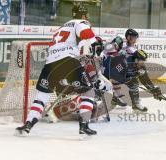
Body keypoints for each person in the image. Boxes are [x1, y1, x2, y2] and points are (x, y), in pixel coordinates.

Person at [15, 3, 109, 136]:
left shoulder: (61, 27)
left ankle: (27, 125)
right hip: (68, 62)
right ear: (83, 15)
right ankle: (84, 126)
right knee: (88, 92)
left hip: (50, 65)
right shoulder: (80, 23)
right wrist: (97, 45)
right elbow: (86, 34)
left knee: (41, 98)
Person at [123, 29, 163, 112]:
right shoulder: (125, 45)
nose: (135, 40)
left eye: (136, 38)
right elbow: (134, 54)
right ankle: (136, 104)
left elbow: (136, 57)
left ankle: (115, 99)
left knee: (141, 70)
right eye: (134, 37)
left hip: (122, 69)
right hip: (116, 70)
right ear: (128, 37)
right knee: (133, 82)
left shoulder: (130, 47)